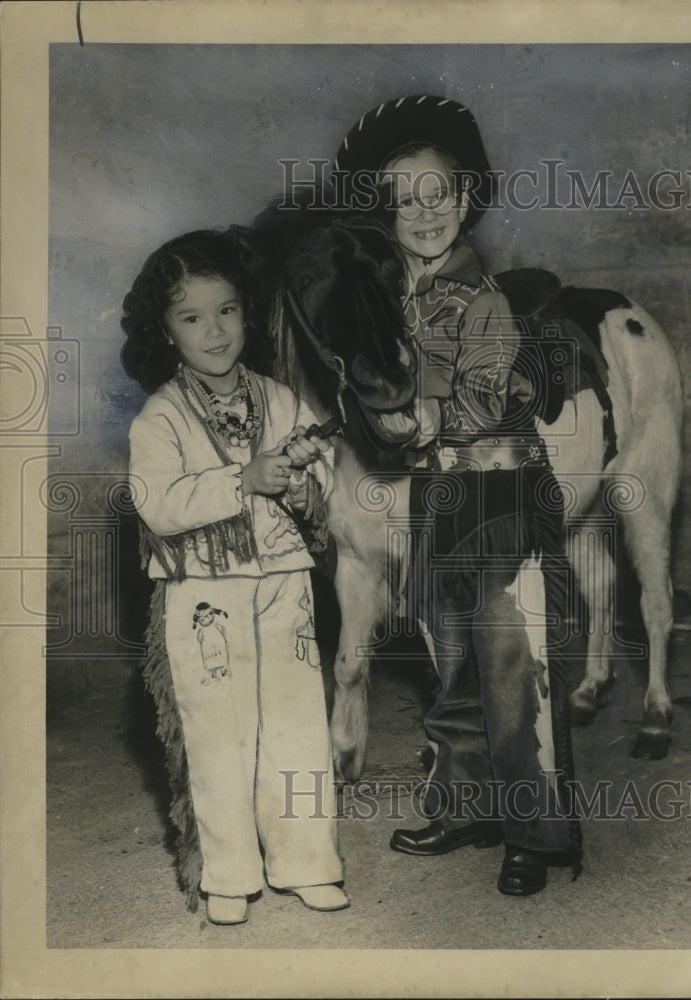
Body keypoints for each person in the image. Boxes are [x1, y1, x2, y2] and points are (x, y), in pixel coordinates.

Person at [333, 95, 581, 896]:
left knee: (514, 666)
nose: (423, 212)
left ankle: (535, 832)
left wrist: (420, 414)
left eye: (437, 194)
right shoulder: (386, 302)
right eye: (404, 200)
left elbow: (485, 397)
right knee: (452, 664)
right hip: (438, 503)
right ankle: (467, 802)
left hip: (501, 497)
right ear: (385, 215)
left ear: (466, 199)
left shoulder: (484, 301)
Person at [121, 229, 348, 924]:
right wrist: (243, 479)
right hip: (203, 597)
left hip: (283, 582)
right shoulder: (159, 417)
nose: (214, 331)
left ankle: (306, 862)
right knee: (218, 731)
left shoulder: (280, 398)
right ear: (165, 331)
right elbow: (157, 506)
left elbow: (327, 483)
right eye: (191, 318)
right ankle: (227, 874)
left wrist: (310, 483)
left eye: (226, 311)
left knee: (296, 724)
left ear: (248, 315)